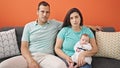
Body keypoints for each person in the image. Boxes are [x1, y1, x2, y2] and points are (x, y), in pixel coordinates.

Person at [0, 1, 100, 68]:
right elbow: (24, 47)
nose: (45, 14)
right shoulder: (28, 26)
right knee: (3, 65)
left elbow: (74, 24)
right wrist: (30, 61)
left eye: (47, 12)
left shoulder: (54, 24)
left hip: (48, 57)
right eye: (42, 11)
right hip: (29, 56)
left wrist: (91, 26)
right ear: (37, 12)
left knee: (61, 66)